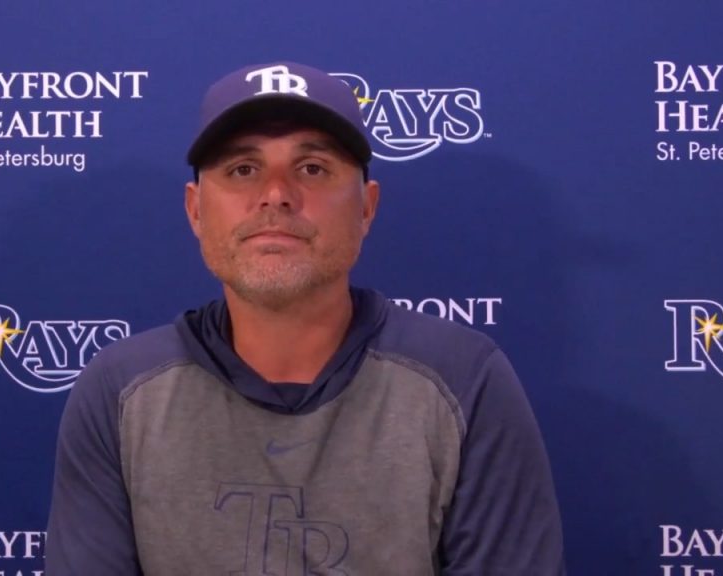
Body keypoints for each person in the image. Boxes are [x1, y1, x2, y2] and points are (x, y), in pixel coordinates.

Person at [45, 61, 565, 575]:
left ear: (367, 208)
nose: (276, 194)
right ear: (195, 210)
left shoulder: (464, 377)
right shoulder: (120, 389)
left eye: (312, 168)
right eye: (242, 170)